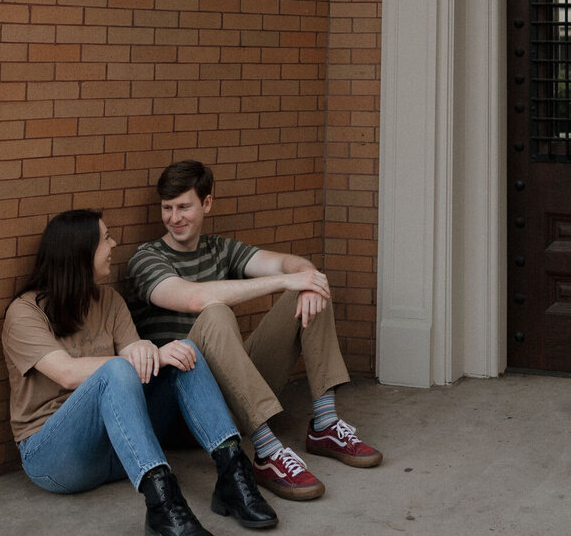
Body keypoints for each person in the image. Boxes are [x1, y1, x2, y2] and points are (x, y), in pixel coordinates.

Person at [1, 207, 278, 536]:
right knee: (117, 370)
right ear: (81, 251)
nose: (114, 244)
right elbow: (66, 373)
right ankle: (163, 505)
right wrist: (139, 358)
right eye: (105, 239)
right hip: (54, 457)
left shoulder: (110, 300)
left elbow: (139, 356)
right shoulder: (25, 312)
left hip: (118, 447)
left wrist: (157, 352)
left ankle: (233, 475)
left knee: (184, 353)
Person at [125, 160, 382, 501]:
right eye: (167, 208)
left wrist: (304, 280)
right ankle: (266, 451)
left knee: (310, 287)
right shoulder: (146, 258)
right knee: (215, 312)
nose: (174, 218)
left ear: (207, 204)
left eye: (184, 207)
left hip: (234, 389)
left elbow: (289, 265)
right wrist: (285, 279)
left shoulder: (220, 249)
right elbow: (195, 298)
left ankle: (325, 424)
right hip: (184, 406)